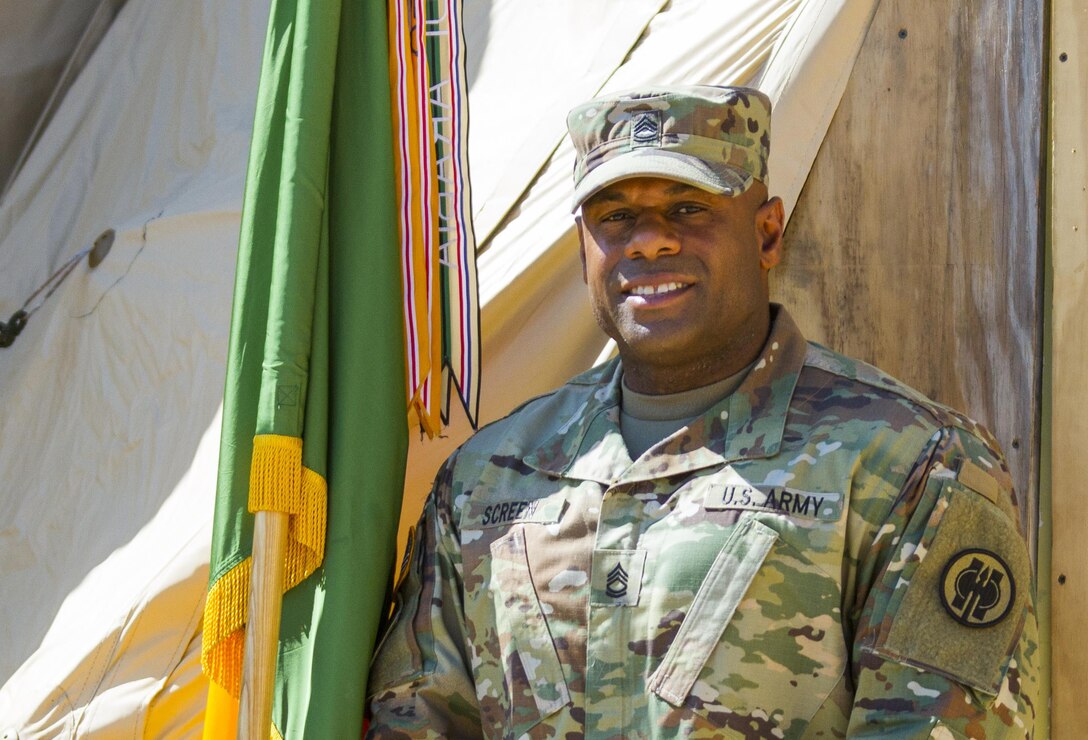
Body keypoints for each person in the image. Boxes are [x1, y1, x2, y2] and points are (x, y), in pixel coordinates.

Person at [365, 85, 1038, 738]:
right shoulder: (491, 477)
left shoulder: (912, 463)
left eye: (689, 207)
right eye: (614, 215)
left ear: (767, 232)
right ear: (584, 246)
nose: (648, 242)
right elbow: (415, 721)